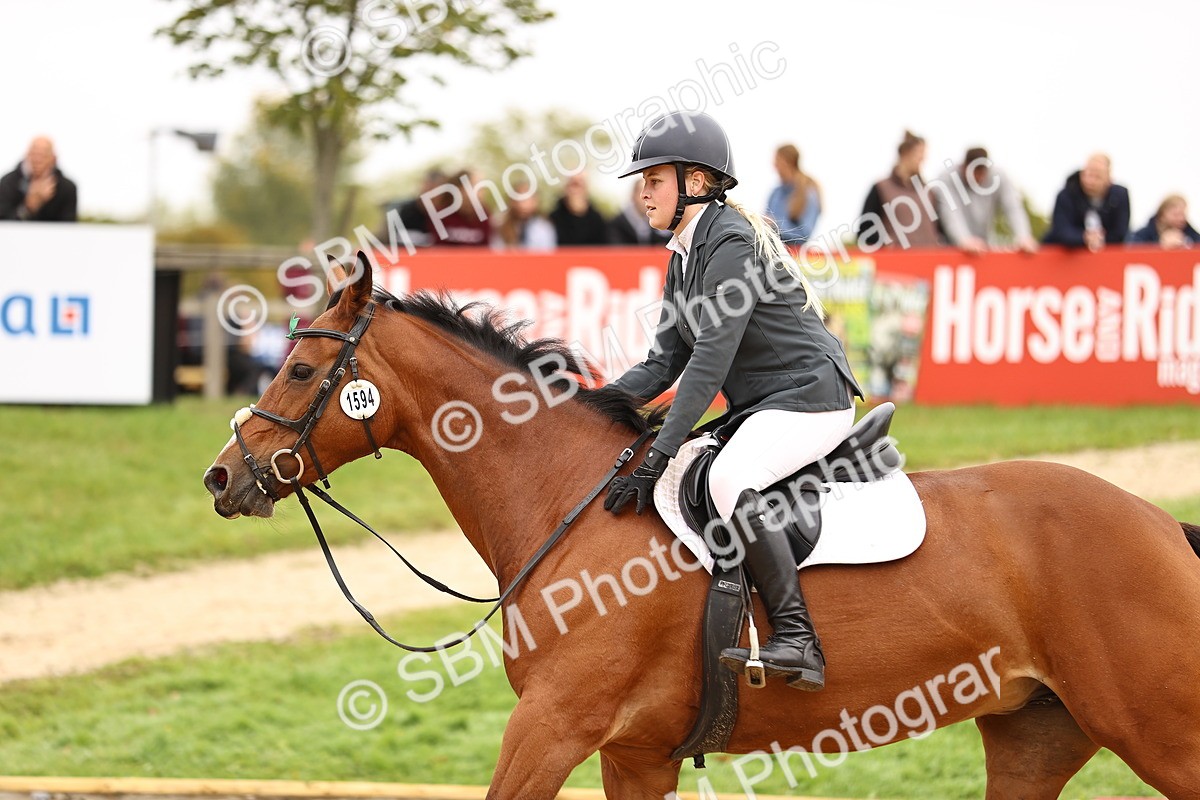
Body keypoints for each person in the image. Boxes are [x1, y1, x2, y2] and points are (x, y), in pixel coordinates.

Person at [604, 111, 864, 691]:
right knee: (690, 469)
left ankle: (798, 639)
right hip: (765, 403)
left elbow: (709, 362)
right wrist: (587, 404)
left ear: (695, 182)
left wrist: (655, 456)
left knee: (727, 478)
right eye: (641, 180)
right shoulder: (682, 252)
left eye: (654, 179)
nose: (641, 191)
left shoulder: (730, 241)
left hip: (810, 397)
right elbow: (664, 362)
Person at [935, 147, 1037, 254]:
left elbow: (1013, 208)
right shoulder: (947, 178)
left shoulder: (999, 176)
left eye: (981, 174)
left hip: (985, 243)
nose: (977, 178)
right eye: (973, 173)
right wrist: (963, 240)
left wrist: (1024, 236)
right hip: (951, 247)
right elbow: (950, 213)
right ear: (964, 167)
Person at [856, 131, 940, 249]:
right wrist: (885, 241)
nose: (922, 159)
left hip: (929, 260)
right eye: (918, 154)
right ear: (905, 154)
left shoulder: (929, 192)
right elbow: (865, 229)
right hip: (896, 261)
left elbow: (940, 228)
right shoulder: (881, 188)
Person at [1042, 154, 1130, 251]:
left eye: (1097, 176)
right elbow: (1061, 230)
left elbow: (1120, 232)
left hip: (1106, 257)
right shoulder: (1067, 194)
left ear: (1108, 178)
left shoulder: (1120, 196)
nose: (1090, 181)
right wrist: (1084, 238)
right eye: (1087, 174)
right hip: (1065, 256)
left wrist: (1100, 239)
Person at [0, 136, 78, 222]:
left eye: (43, 155)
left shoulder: (67, 188)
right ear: (27, 155)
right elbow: (3, 223)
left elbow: (68, 227)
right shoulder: (8, 183)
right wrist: (27, 208)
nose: (38, 160)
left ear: (53, 158)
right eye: (34, 154)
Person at [765, 143, 821, 245]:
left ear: (788, 162)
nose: (774, 166)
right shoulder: (775, 193)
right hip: (772, 253)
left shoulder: (808, 194)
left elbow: (804, 235)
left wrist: (775, 225)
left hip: (795, 256)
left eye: (777, 161)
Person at [494, 180, 556, 250]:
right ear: (512, 201)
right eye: (518, 197)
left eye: (526, 198)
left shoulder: (544, 228)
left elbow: (548, 254)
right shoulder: (501, 226)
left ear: (535, 201)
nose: (522, 203)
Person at [608, 178, 672, 246]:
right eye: (641, 193)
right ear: (633, 196)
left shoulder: (661, 222)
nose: (647, 198)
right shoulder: (619, 225)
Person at [549, 173, 608, 245]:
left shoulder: (598, 221)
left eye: (580, 185)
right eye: (573, 184)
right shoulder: (552, 220)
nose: (576, 190)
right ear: (565, 188)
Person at [1128, 194, 1200, 249]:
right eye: (1176, 215)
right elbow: (1132, 250)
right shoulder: (1143, 235)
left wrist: (1185, 244)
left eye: (1183, 215)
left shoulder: (1191, 234)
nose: (1180, 219)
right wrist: (1160, 245)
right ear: (1162, 215)